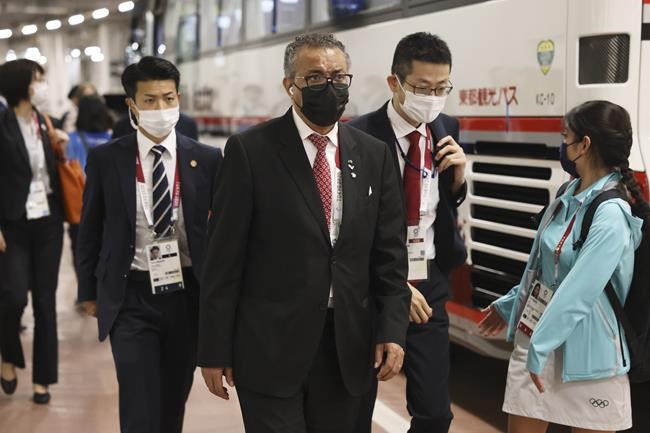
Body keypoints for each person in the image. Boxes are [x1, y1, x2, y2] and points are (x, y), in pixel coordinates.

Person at [198, 33, 411, 433]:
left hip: (348, 347)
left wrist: (392, 330)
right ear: (289, 86)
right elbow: (223, 259)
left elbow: (389, 257)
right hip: (269, 347)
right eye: (315, 78)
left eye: (338, 77)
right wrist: (213, 348)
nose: (329, 87)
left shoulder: (372, 154)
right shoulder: (250, 151)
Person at [76, 56, 222, 433]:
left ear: (179, 98)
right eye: (151, 100)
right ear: (132, 105)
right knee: (139, 405)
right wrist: (87, 289)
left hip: (187, 296)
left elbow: (222, 233)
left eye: (168, 98)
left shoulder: (205, 159)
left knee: (172, 402)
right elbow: (89, 228)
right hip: (131, 296)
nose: (161, 108)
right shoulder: (108, 159)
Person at [479, 100, 645, 433]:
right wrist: (512, 302)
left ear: (584, 145)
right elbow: (545, 271)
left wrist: (539, 347)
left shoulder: (611, 214)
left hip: (589, 359)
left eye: (565, 137)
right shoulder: (567, 192)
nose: (561, 145)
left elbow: (579, 292)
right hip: (538, 337)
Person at [349, 32, 467, 433]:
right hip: (373, 286)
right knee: (353, 408)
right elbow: (348, 224)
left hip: (428, 281)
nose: (432, 97)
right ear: (394, 83)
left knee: (435, 413)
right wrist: (394, 283)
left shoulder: (446, 126)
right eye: (421, 88)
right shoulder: (359, 136)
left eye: (441, 88)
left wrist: (459, 177)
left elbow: (439, 206)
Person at [0, 59, 68, 404]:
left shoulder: (45, 122)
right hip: (12, 224)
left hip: (48, 221)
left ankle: (43, 380)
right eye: (37, 79)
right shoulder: (2, 122)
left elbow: (51, 171)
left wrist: (62, 144)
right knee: (12, 297)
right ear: (21, 85)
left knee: (45, 301)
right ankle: (8, 355)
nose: (43, 85)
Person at [112, 108, 199, 140]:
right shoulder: (122, 128)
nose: (159, 106)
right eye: (150, 100)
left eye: (168, 98)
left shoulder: (187, 125)